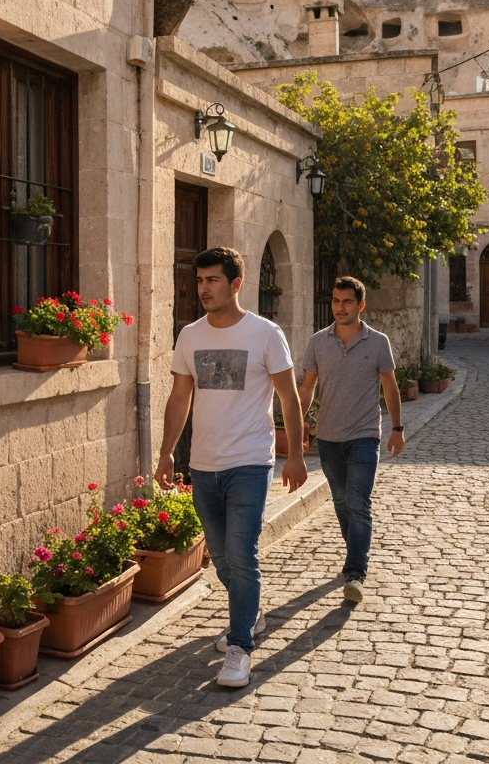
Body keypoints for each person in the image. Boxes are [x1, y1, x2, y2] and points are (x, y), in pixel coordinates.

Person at [156, 246, 307, 688]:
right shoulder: (190, 336)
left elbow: (288, 397)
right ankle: (251, 609)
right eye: (199, 280)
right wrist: (167, 452)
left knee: (242, 554)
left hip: (250, 462)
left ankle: (240, 646)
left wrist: (294, 453)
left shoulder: (265, 334)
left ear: (236, 284)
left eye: (212, 280)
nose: (203, 288)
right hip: (204, 464)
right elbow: (180, 397)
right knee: (221, 558)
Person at [298, 276, 402, 605]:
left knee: (359, 503)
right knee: (342, 502)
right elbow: (307, 387)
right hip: (328, 437)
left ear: (360, 305)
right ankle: (354, 551)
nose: (339, 307)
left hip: (364, 435)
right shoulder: (317, 342)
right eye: (335, 301)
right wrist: (297, 419)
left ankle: (355, 571)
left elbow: (390, 387)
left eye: (346, 301)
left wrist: (397, 428)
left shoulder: (378, 342)